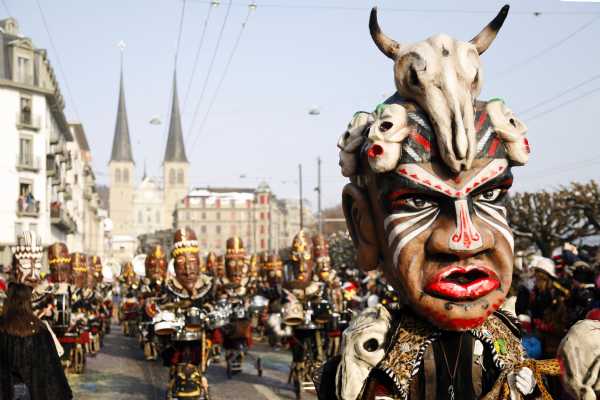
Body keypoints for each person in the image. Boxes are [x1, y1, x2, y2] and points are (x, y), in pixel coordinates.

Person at [312, 5, 598, 399]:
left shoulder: (518, 346)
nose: (467, 239)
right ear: (365, 225)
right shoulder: (366, 363)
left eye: (489, 194)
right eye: (417, 201)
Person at [0, 231, 72, 400]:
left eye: (37, 266)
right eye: (26, 266)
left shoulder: (7, 326)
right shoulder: (40, 330)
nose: (33, 274)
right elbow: (51, 373)